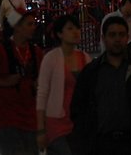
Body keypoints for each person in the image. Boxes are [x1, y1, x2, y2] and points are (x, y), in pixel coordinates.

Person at [69, 13, 131, 154]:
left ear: (127, 37)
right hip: (100, 144)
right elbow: (79, 109)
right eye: (112, 35)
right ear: (104, 39)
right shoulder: (91, 72)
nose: (117, 39)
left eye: (121, 35)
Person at [0, 11, 43, 154]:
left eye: (34, 23)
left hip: (31, 117)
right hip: (8, 117)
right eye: (29, 24)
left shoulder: (36, 52)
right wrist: (5, 83)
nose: (34, 27)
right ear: (17, 27)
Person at [37, 13, 90, 155]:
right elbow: (42, 94)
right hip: (57, 122)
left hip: (80, 122)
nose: (75, 32)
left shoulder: (85, 58)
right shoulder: (51, 58)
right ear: (60, 34)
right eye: (70, 28)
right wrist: (41, 129)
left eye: (77, 28)